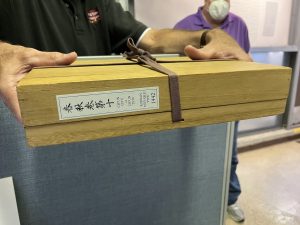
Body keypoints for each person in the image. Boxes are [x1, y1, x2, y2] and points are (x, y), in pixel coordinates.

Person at [0, 0, 251, 123]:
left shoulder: (101, 3)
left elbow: (151, 38)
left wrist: (208, 36)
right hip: (26, 137)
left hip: (97, 127)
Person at [174, 0, 250, 223]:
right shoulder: (184, 26)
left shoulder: (240, 25)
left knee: (230, 155)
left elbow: (245, 58)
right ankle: (190, 199)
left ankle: (230, 200)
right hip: (195, 105)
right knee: (192, 154)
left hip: (230, 102)